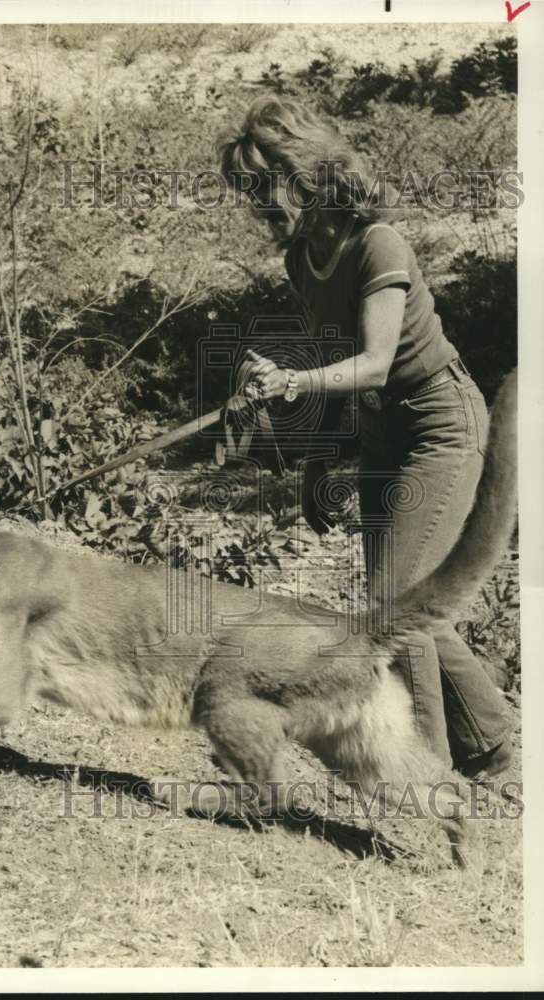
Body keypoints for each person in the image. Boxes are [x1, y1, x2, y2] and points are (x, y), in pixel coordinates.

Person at [217, 95, 511, 779]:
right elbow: (337, 361)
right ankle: (490, 744)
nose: (260, 202)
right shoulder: (301, 259)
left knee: (391, 609)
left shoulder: (377, 241)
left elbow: (374, 360)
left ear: (304, 170)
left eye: (266, 184)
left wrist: (293, 385)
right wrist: (316, 463)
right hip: (381, 430)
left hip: (439, 422)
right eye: (249, 191)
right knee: (409, 602)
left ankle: (429, 774)